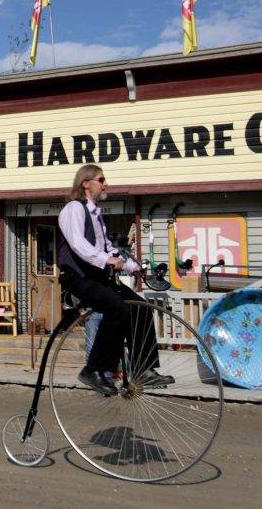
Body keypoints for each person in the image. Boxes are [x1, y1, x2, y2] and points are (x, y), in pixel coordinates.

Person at [58, 164, 173, 397]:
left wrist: (133, 267)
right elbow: (79, 245)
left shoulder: (96, 214)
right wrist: (107, 261)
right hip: (79, 277)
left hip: (98, 277)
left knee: (140, 309)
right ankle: (94, 369)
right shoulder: (74, 209)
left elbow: (108, 248)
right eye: (101, 179)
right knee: (116, 308)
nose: (105, 184)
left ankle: (143, 369)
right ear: (86, 183)